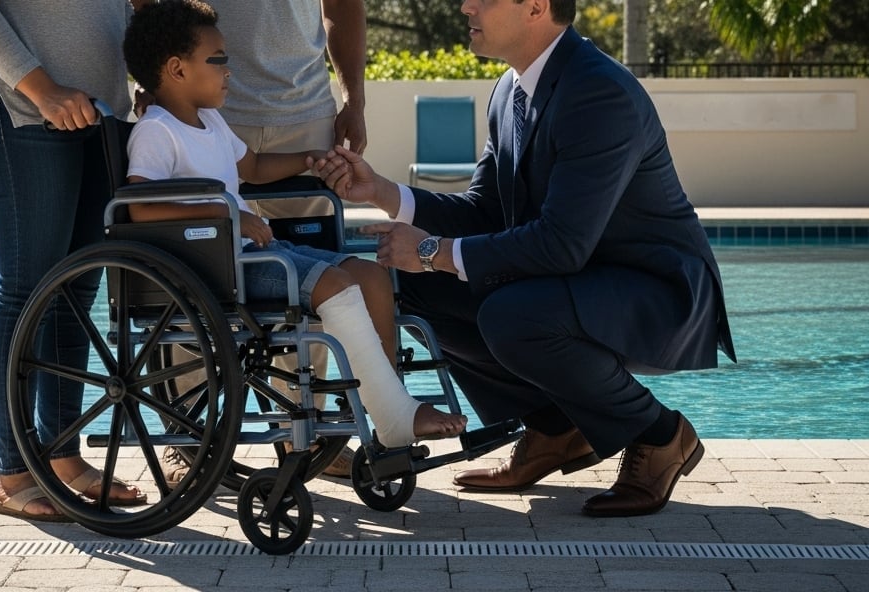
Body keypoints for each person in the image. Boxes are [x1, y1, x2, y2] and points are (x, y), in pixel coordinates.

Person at [312, 0, 736, 517]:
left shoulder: (598, 92)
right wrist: (379, 191)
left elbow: (562, 242)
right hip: (578, 279)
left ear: (536, 7)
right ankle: (555, 427)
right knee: (417, 285)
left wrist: (432, 250)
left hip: (654, 293)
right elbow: (485, 211)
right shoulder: (511, 90)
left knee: (512, 314)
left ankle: (660, 433)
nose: (465, 4)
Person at [122, 0, 467, 450]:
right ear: (176, 69)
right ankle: (395, 416)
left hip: (245, 255)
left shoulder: (212, 122)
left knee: (370, 277)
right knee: (336, 285)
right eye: (219, 60)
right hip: (211, 267)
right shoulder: (156, 131)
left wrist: (312, 160)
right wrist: (229, 215)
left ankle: (384, 412)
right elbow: (138, 208)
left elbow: (257, 167)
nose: (229, 70)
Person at [0, 0, 150, 521]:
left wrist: (149, 74)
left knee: (77, 291)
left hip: (101, 112)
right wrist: (43, 89)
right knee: (26, 290)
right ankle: (12, 474)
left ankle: (62, 456)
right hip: (21, 109)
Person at [157, 0, 368, 479]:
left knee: (309, 284)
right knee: (193, 270)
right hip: (202, 105)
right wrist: (160, 86)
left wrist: (353, 98)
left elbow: (343, 5)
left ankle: (306, 434)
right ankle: (186, 436)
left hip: (306, 112)